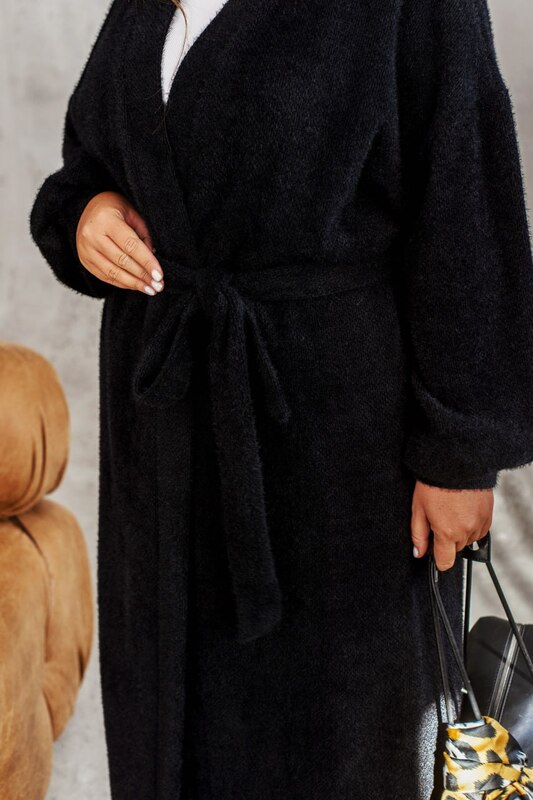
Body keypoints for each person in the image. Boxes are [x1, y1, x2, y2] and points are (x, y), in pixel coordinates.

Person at [28, 0, 533, 797]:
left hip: (337, 447)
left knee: (343, 739)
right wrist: (85, 215)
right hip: (163, 446)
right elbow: (92, 157)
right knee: (170, 729)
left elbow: (465, 199)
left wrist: (461, 452)